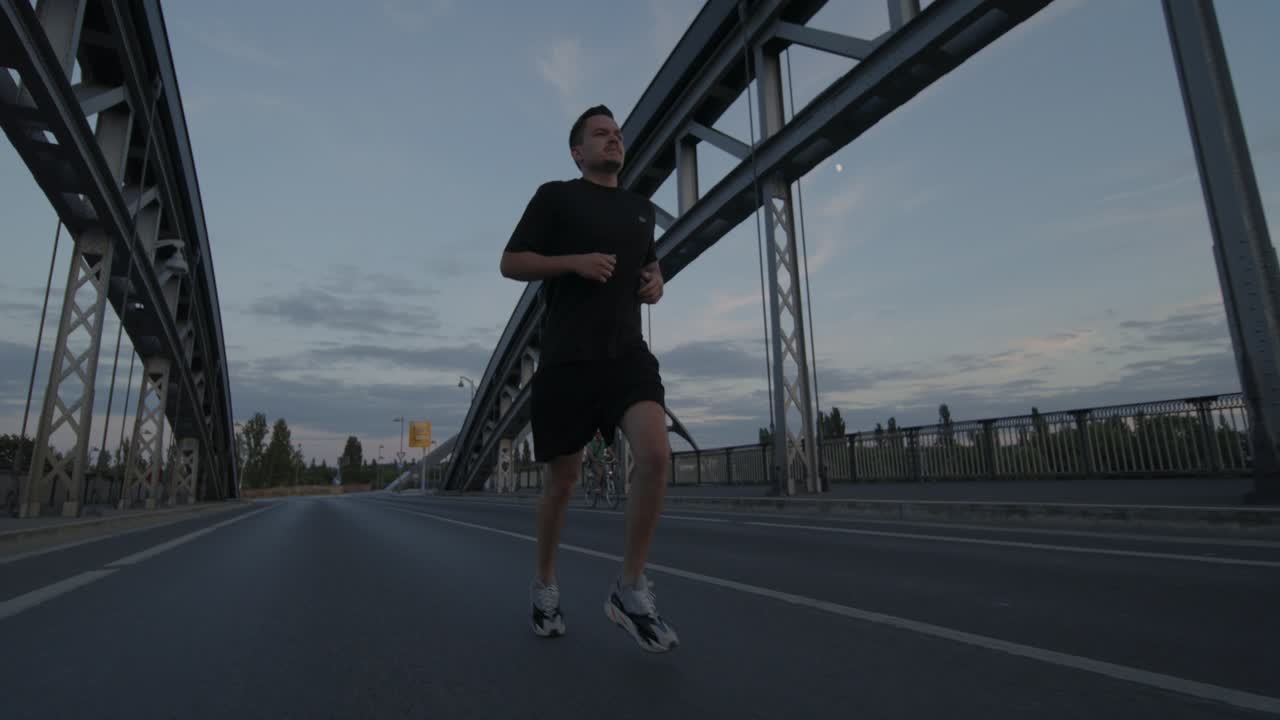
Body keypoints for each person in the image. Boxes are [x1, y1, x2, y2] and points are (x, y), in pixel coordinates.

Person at [499, 105, 678, 653]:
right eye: (600, 134)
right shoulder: (555, 196)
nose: (613, 139)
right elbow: (511, 262)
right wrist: (572, 262)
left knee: (655, 455)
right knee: (563, 482)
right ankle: (545, 584)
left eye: (617, 133)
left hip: (625, 355)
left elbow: (647, 267)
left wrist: (657, 280)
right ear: (578, 152)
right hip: (566, 359)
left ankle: (629, 587)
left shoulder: (641, 209)